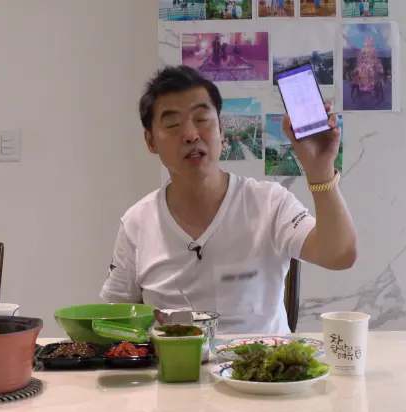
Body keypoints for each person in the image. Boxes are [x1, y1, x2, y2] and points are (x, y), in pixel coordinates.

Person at [100, 66, 357, 334]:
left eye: (202, 119)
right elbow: (115, 319)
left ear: (222, 132)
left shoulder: (269, 202)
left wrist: (320, 169)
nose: (191, 134)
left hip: (264, 359)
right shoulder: (137, 223)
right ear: (150, 141)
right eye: (173, 124)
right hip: (176, 359)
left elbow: (339, 254)